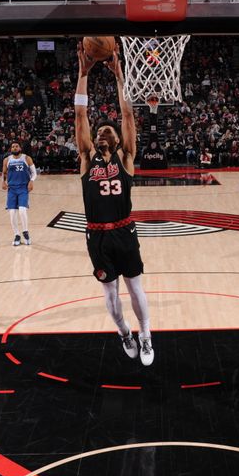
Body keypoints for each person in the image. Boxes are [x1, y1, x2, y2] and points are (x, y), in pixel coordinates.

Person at [75, 42, 154, 366]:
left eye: (109, 130)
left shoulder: (126, 157)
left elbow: (127, 113)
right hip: (97, 236)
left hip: (124, 232)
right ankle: (124, 331)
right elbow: (81, 113)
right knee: (109, 294)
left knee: (135, 289)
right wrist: (83, 75)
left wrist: (121, 77)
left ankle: (146, 334)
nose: (104, 131)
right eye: (100, 130)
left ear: (119, 140)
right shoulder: (85, 157)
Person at [2, 141, 36, 246]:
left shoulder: (26, 158)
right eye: (13, 147)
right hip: (11, 189)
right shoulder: (7, 160)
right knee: (12, 213)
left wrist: (31, 181)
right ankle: (17, 235)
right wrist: (3, 181)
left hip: (23, 188)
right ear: (10, 149)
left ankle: (25, 232)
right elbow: (4, 173)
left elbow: (34, 173)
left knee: (22, 211)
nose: (15, 148)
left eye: (16, 146)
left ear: (20, 148)